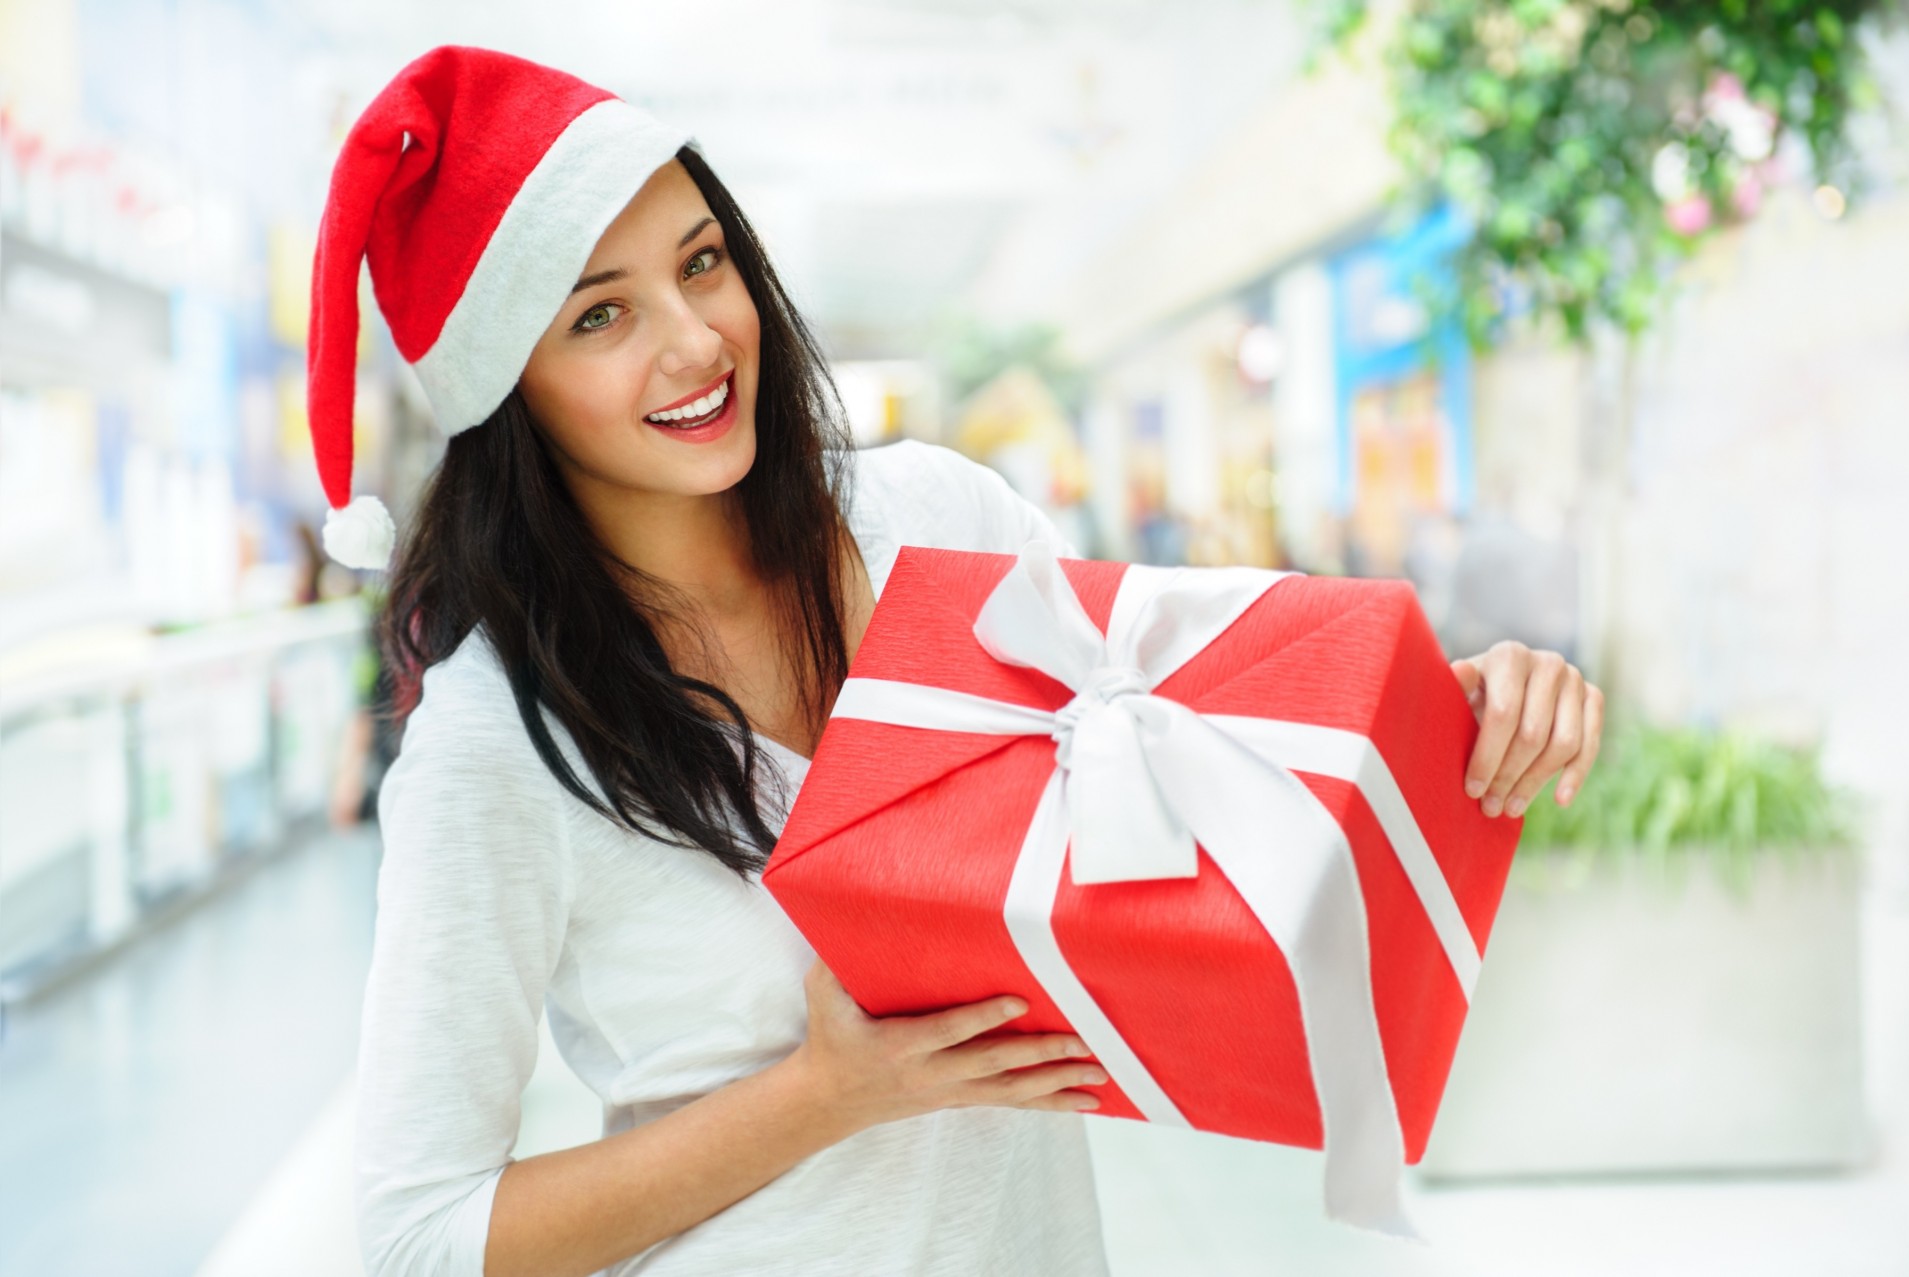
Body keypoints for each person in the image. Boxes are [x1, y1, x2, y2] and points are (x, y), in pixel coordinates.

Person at [305, 47, 1604, 1277]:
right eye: (601, 315)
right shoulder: (498, 739)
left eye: (703, 262)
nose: (695, 340)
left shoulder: (935, 523)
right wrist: (824, 1093)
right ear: (509, 389)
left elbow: (1186, 745)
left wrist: (1441, 708)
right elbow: (423, 1236)